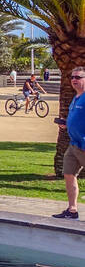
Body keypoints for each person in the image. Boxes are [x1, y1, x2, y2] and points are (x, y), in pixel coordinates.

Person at [54, 67, 85, 221]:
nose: (74, 79)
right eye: (72, 77)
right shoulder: (76, 97)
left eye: (78, 77)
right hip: (73, 145)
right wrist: (66, 124)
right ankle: (72, 210)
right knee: (68, 174)